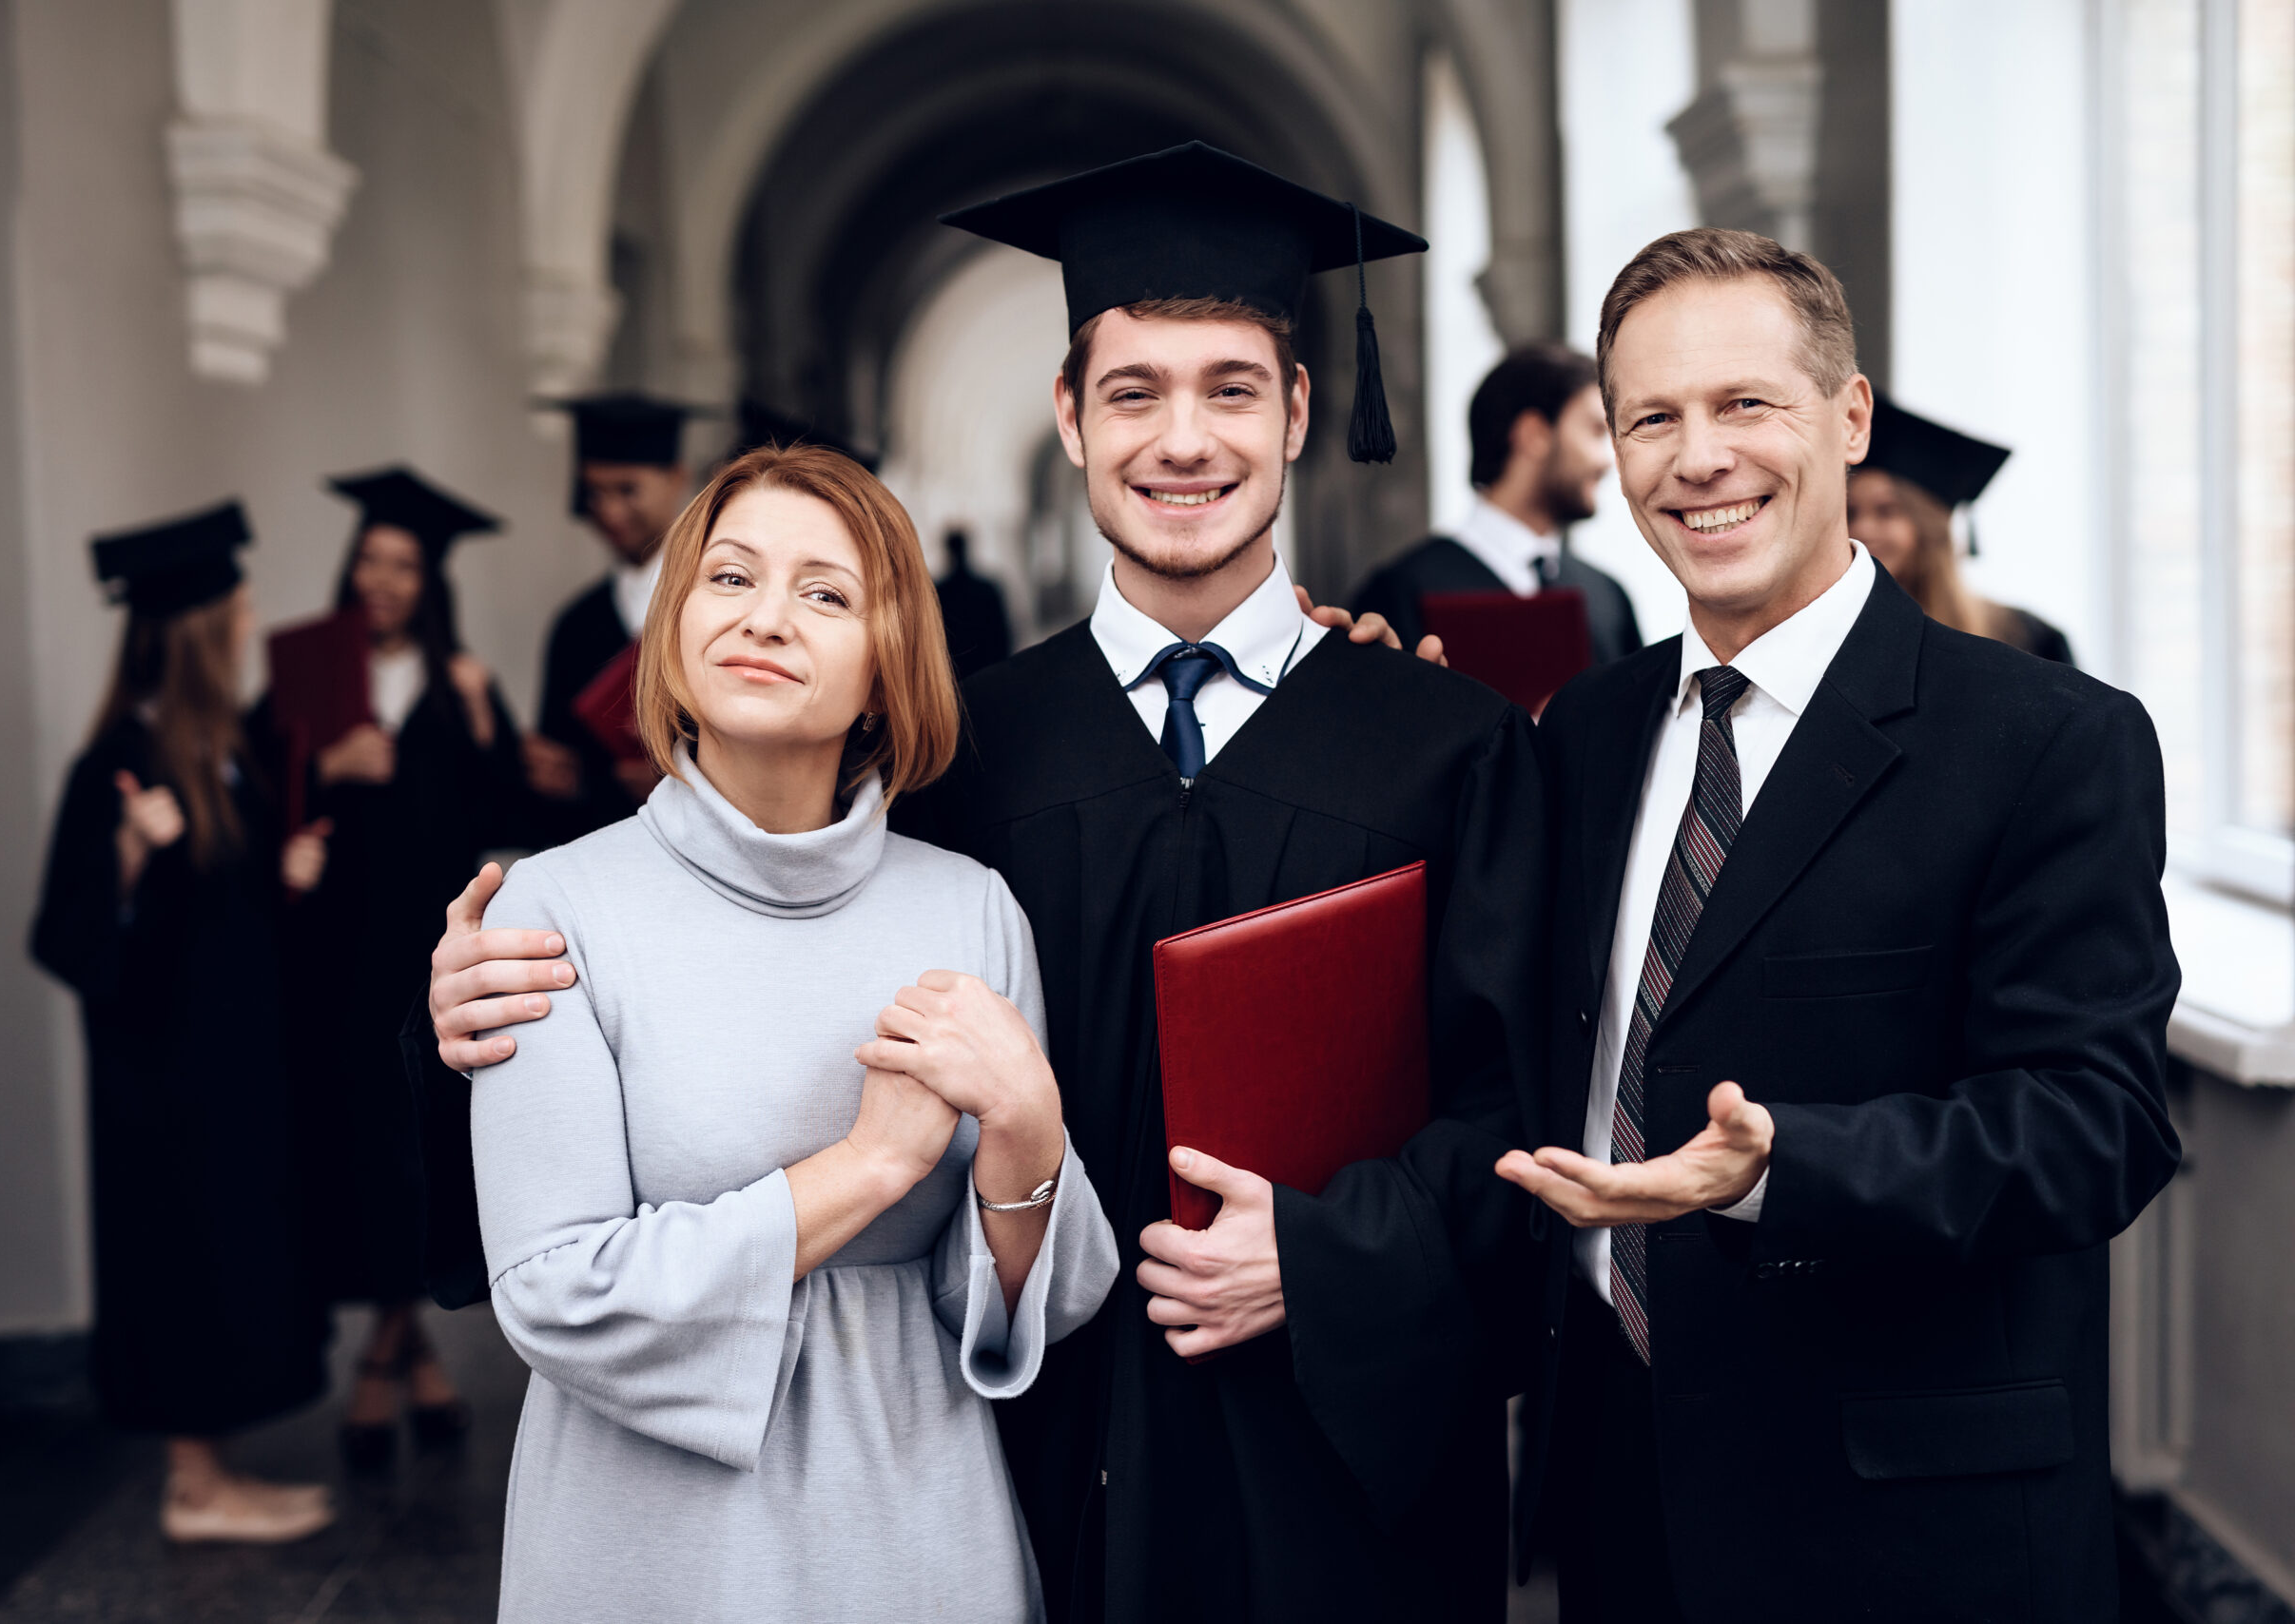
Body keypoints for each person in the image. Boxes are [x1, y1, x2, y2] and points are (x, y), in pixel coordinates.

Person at [416, 142, 1550, 1622]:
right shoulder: (965, 752)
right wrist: (458, 1007)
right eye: (1134, 392)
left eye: (1231, 389)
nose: (1183, 439)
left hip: (1337, 1456)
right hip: (1028, 1448)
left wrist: (1334, 1257)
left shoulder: (1444, 743)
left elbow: (1525, 1111)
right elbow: (745, 940)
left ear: (1299, 414)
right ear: (1071, 418)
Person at [1494, 228, 2179, 1621]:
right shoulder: (1586, 734)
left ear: (1849, 416)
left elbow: (2096, 1128)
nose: (1700, 457)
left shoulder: (2046, 739)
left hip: (1911, 1531)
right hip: (1628, 1505)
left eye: (1747, 404)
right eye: (1652, 419)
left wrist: (1772, 1168)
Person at [470, 442, 1117, 1620]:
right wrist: (866, 1167)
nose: (766, 617)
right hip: (648, 1537)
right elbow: (551, 1289)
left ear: (884, 669)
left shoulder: (967, 906)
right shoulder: (554, 908)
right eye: (729, 579)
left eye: (825, 593)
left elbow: (1036, 1304)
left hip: (917, 1525)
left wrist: (1028, 1134)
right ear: (673, 627)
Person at [30, 501, 333, 1543]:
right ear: (201, 629)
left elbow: (226, 912)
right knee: (181, 1263)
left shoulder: (221, 751)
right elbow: (65, 941)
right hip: (160, 1084)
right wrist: (127, 859)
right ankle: (194, 1486)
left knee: (231, 1258)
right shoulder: (114, 765)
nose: (251, 626)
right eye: (239, 612)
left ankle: (218, 1474)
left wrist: (286, 878)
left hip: (234, 1070)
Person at [265, 466, 520, 1469]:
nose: (381, 578)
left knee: (414, 1160)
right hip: (333, 959)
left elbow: (502, 813)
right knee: (360, 1163)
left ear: (429, 581)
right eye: (369, 559)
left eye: (402, 564)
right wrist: (328, 769)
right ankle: (406, 1361)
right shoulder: (309, 679)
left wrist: (487, 724)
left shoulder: (461, 681)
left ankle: (388, 1362)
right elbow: (263, 791)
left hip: (425, 958)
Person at [1352, 342, 1643, 667]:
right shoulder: (1402, 594)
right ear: (1534, 435)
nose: (1608, 461)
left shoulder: (1607, 598)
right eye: (1595, 431)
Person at [525, 394, 696, 839]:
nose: (608, 510)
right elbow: (560, 762)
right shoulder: (576, 624)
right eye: (595, 492)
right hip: (602, 851)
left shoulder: (711, 600)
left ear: (676, 478)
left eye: (626, 489)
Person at [1847, 396, 2073, 664]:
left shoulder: (2026, 639)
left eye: (1887, 511)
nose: (1862, 528)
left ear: (1929, 527)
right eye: (1850, 513)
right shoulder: (1844, 635)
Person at [935, 526, 1013, 678]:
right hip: (984, 668)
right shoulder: (986, 588)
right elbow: (1002, 635)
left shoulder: (940, 591)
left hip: (955, 672)